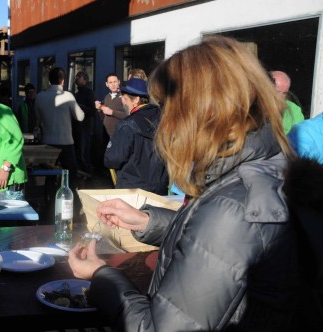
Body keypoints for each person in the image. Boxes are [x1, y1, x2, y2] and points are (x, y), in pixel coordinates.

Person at [68, 35, 309, 331]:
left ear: (197, 112)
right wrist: (146, 220)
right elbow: (226, 247)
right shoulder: (268, 167)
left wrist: (102, 276)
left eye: (167, 106)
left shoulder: (233, 206)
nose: (163, 119)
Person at [103, 77, 169, 194]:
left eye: (125, 99)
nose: (123, 102)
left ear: (136, 100)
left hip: (131, 191)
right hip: (160, 190)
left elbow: (112, 159)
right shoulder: (165, 120)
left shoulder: (127, 125)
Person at [34, 67, 84, 195]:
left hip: (48, 142)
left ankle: (48, 201)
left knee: (49, 174)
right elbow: (80, 117)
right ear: (63, 81)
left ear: (49, 80)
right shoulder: (68, 96)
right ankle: (70, 200)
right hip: (66, 141)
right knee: (70, 175)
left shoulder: (40, 97)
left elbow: (37, 119)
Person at [73, 71, 96, 174]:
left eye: (79, 77)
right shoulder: (76, 94)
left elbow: (92, 111)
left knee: (84, 151)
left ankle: (88, 172)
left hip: (85, 127)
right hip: (78, 127)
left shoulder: (88, 93)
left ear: (85, 80)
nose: (77, 78)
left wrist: (80, 107)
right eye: (77, 76)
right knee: (80, 150)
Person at [95, 73, 128, 139]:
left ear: (119, 82)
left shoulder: (124, 96)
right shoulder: (107, 97)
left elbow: (128, 115)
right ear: (107, 84)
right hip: (106, 134)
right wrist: (99, 108)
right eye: (110, 82)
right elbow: (104, 116)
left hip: (119, 134)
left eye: (115, 82)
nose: (113, 84)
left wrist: (112, 112)